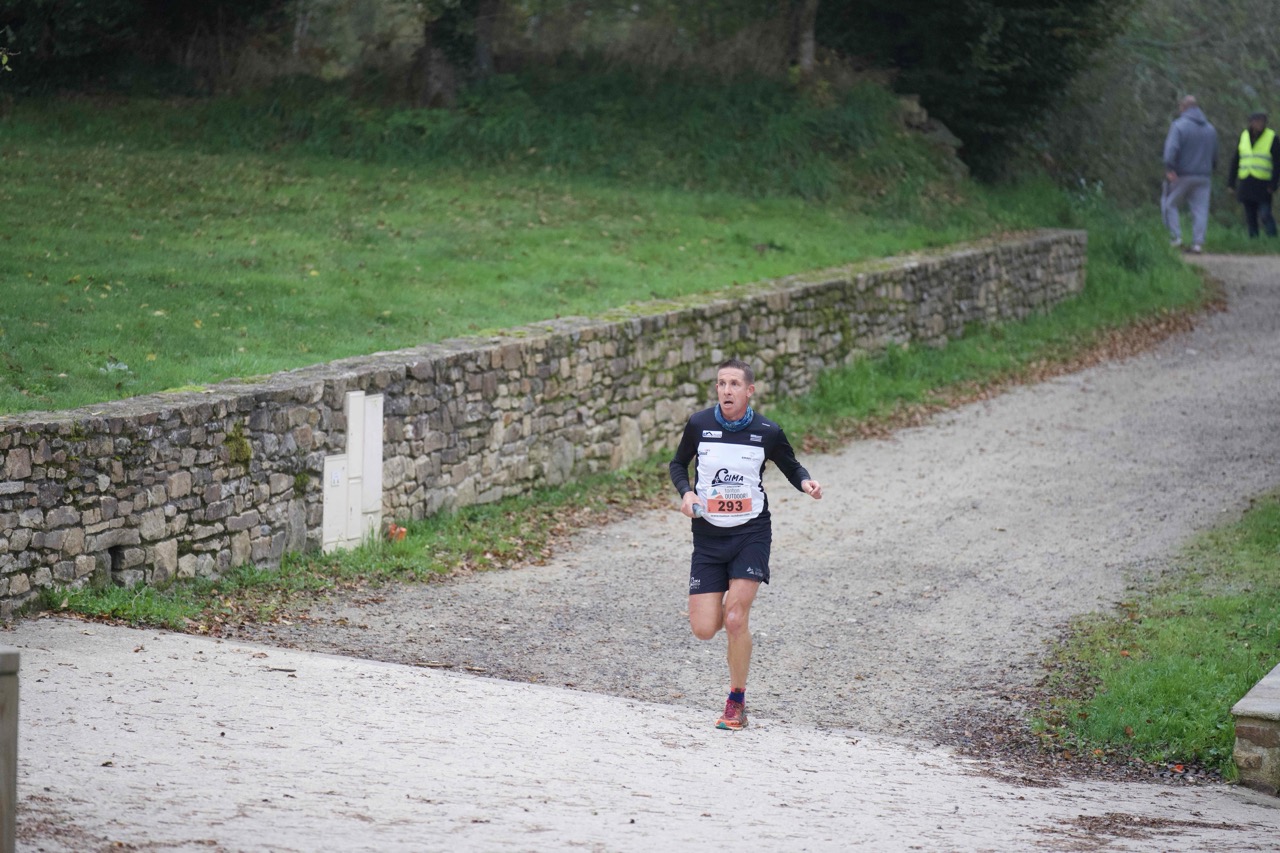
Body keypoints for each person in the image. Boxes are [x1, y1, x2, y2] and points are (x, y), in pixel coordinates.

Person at [668, 358, 822, 731]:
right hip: (708, 536)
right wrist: (687, 493)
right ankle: (725, 598)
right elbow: (677, 464)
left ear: (749, 391)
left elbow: (791, 466)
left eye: (734, 384)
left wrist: (806, 483)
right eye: (721, 383)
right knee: (704, 628)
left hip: (751, 533)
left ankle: (736, 702)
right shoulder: (699, 424)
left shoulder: (767, 431)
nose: (727, 390)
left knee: (736, 619)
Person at [1161, 95, 1219, 253]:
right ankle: (1198, 244)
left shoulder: (1178, 126)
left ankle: (1175, 238)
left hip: (1182, 174)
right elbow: (1215, 154)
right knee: (1200, 210)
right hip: (1204, 176)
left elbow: (1171, 149)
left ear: (1183, 107)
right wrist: (1210, 168)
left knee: (1170, 204)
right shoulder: (1210, 129)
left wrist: (1169, 168)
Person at [1227, 112, 1279, 238]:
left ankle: (1272, 239)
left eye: (1262, 121)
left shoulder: (1272, 137)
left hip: (1263, 183)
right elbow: (1236, 160)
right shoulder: (1244, 136)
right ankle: (1253, 240)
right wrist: (1231, 183)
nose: (1260, 124)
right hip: (1246, 181)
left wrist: (1273, 184)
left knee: (1265, 214)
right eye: (1257, 121)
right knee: (1250, 215)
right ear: (1251, 123)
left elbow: (1277, 163)